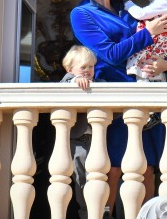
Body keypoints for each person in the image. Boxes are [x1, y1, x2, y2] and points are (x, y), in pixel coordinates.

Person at [70, 0, 167, 218]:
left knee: (148, 169)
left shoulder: (124, 8)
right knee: (113, 170)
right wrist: (149, 33)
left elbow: (153, 46)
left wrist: (166, 65)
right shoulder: (82, 15)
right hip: (112, 102)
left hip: (144, 95)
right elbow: (112, 54)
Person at [61, 45, 104, 219]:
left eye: (91, 67)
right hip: (77, 140)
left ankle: (100, 212)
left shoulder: (99, 84)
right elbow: (63, 86)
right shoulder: (69, 81)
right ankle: (85, 214)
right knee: (81, 180)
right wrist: (74, 82)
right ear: (70, 69)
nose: (87, 71)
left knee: (98, 178)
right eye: (83, 67)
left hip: (96, 140)